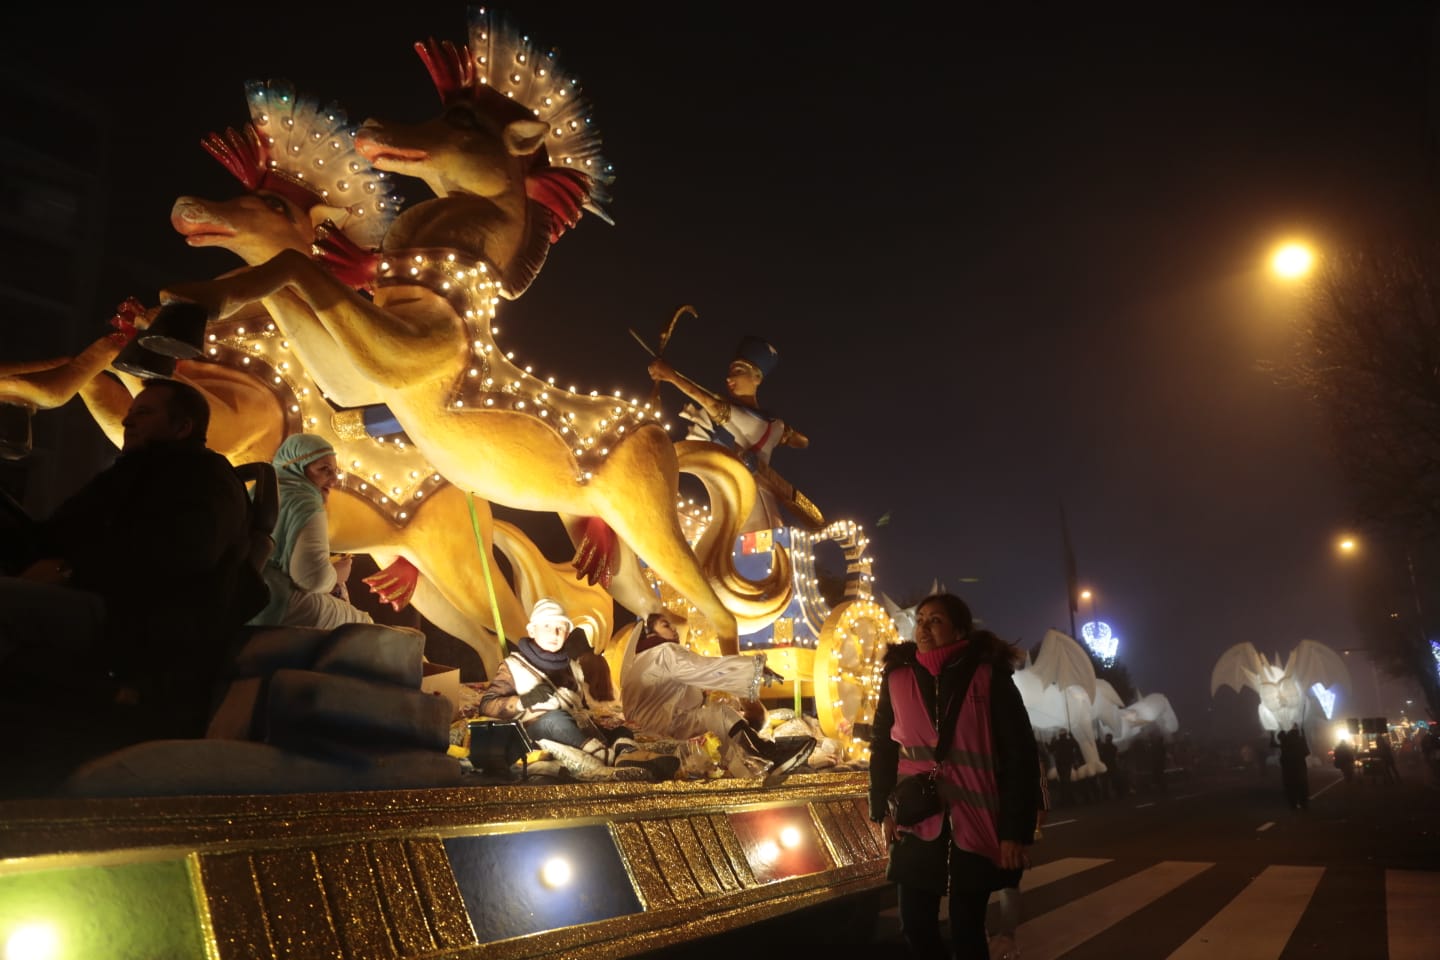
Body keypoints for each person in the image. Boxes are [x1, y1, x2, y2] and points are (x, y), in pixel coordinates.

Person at [0, 379, 255, 787]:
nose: (126, 419)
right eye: (132, 412)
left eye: (144, 413)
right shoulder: (125, 475)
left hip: (136, 621)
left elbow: (182, 554)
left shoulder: (205, 478)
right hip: (96, 601)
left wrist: (72, 572)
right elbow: (53, 535)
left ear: (182, 427)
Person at [868, 593, 1040, 960]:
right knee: (915, 924)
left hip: (975, 819)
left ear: (959, 629)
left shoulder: (988, 675)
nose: (924, 627)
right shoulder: (896, 677)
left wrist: (1014, 832)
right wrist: (882, 807)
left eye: (936, 620)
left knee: (967, 931)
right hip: (917, 817)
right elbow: (882, 746)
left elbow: (1021, 755)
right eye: (920, 620)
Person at [478, 598, 678, 782]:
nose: (554, 633)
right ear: (532, 631)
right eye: (547, 626)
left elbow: (579, 710)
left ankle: (628, 755)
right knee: (554, 720)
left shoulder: (573, 667)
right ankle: (608, 758)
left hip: (573, 731)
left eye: (560, 627)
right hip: (535, 733)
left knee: (620, 729)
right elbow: (487, 705)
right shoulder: (513, 665)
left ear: (567, 633)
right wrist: (524, 700)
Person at [620, 611, 815, 787]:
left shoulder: (639, 660)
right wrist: (753, 668)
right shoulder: (664, 653)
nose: (674, 630)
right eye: (665, 625)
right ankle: (763, 755)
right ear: (650, 633)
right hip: (659, 730)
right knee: (720, 715)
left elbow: (686, 693)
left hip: (647, 729)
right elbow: (705, 669)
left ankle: (755, 759)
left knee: (716, 717)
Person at [647, 336, 819, 532]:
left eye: (738, 372)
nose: (729, 379)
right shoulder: (774, 425)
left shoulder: (758, 421)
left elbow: (712, 405)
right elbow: (801, 441)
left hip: (755, 513)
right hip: (732, 503)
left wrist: (672, 376)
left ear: (757, 378)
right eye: (730, 372)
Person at [250, 433, 373, 629]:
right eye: (325, 470)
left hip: (239, 595)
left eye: (335, 471)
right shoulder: (305, 503)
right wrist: (336, 575)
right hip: (273, 602)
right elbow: (310, 578)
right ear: (297, 467)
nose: (333, 480)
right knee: (364, 625)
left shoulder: (259, 491)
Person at [1275, 723, 1310, 809]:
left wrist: (1275, 731)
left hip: (1288, 769)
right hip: (1300, 768)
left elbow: (1275, 741)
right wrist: (1303, 735)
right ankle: (1303, 803)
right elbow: (1306, 753)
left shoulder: (1285, 740)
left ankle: (1293, 804)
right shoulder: (1300, 739)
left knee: (1290, 787)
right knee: (1302, 786)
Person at [1097, 732, 1120, 800]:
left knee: (1105, 782)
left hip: (1106, 766)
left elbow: (1100, 755)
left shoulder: (1103, 746)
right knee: (1112, 781)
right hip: (1112, 765)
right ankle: (1116, 793)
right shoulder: (1114, 747)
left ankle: (1106, 796)